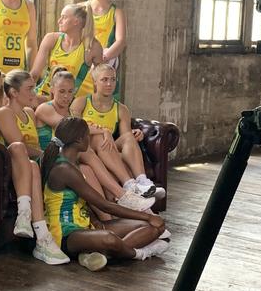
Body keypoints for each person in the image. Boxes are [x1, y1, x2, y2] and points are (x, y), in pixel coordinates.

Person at [42, 117, 169, 271]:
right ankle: (139, 253)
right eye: (87, 135)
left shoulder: (72, 162)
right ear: (78, 140)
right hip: (65, 234)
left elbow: (81, 201)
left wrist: (95, 221)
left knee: (154, 227)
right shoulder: (64, 169)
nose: (89, 138)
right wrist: (148, 215)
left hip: (86, 226)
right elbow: (104, 205)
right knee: (110, 238)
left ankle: (98, 254)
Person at [35, 68, 155, 212]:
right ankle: (124, 195)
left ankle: (122, 215)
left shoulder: (72, 111)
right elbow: (72, 128)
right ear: (52, 89)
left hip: (70, 158)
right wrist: (104, 131)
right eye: (62, 91)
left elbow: (84, 131)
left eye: (70, 91)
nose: (67, 96)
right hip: (49, 158)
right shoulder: (44, 108)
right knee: (88, 150)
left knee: (89, 167)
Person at [0, 70, 69, 265]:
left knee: (40, 165)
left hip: (34, 164)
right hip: (14, 167)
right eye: (29, 89)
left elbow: (35, 147)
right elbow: (17, 145)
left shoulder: (29, 112)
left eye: (34, 88)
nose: (34, 93)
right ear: (13, 92)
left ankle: (34, 224)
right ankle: (33, 225)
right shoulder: (3, 113)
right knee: (22, 152)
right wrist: (45, 154)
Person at [71, 63, 165, 200]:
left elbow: (124, 136)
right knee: (99, 137)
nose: (109, 83)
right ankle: (128, 183)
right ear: (95, 82)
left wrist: (135, 134)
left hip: (109, 150)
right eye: (104, 79)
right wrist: (104, 131)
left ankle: (142, 181)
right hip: (88, 150)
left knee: (128, 137)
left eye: (113, 79)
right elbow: (76, 129)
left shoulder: (121, 109)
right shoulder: (81, 102)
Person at [32, 3, 102, 101]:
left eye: (64, 17)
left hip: (72, 101)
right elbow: (34, 74)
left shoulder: (92, 46)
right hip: (46, 96)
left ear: (76, 21)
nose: (59, 21)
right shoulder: (51, 39)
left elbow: (100, 81)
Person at [87, 0, 126, 71]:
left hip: (105, 61)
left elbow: (121, 41)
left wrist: (103, 57)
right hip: (84, 59)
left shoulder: (116, 12)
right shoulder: (83, 8)